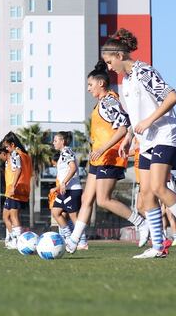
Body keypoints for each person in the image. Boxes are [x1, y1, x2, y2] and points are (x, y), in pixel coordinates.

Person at [103, 29, 176, 258]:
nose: (109, 68)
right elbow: (134, 119)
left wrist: (149, 121)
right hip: (146, 141)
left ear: (119, 55)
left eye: (109, 62)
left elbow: (172, 96)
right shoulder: (126, 82)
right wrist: (128, 138)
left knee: (158, 187)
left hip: (165, 134)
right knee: (146, 194)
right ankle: (158, 246)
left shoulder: (143, 71)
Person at [65, 60, 148, 254]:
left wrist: (102, 148)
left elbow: (123, 127)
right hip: (99, 159)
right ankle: (73, 241)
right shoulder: (100, 104)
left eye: (90, 85)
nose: (88, 89)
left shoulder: (110, 100)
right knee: (86, 198)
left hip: (109, 157)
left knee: (103, 200)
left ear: (101, 83)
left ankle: (141, 223)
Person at [51, 132, 88, 249]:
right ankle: (68, 237)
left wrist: (63, 183)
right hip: (65, 190)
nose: (53, 143)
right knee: (56, 212)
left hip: (72, 190)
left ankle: (82, 242)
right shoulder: (63, 153)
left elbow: (73, 168)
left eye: (55, 140)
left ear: (63, 141)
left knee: (74, 217)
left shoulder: (67, 151)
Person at [1, 132, 32, 250]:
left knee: (13, 216)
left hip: (16, 188)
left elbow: (18, 169)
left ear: (12, 145)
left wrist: (13, 185)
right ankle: (12, 239)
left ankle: (18, 241)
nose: (7, 150)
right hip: (23, 187)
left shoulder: (16, 154)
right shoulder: (25, 155)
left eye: (7, 147)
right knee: (9, 215)